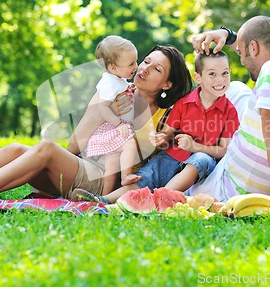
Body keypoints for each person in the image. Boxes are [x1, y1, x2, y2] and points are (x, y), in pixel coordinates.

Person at [0, 45, 193, 203]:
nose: (143, 68)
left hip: (101, 183)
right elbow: (73, 145)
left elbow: (133, 169)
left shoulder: (163, 119)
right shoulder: (112, 90)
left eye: (156, 68)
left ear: (167, 83)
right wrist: (103, 109)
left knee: (45, 147)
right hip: (80, 167)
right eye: (145, 61)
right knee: (17, 149)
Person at [188, 15, 270, 212]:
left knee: (232, 89)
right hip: (264, 183)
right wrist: (227, 35)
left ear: (254, 48)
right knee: (237, 89)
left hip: (229, 188)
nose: (241, 61)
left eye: (241, 53)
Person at [74, 49, 240, 204]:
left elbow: (223, 150)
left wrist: (195, 146)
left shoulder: (230, 111)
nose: (220, 80)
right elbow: (167, 132)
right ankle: (103, 200)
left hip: (202, 158)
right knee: (147, 175)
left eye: (225, 73)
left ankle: (157, 200)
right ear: (198, 78)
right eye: (212, 74)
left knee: (201, 160)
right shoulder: (183, 104)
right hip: (172, 156)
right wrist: (160, 138)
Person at [84, 35, 139, 193]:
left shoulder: (116, 79)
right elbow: (102, 108)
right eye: (130, 64)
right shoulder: (109, 83)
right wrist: (119, 124)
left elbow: (120, 89)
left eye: (135, 61)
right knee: (130, 144)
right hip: (114, 127)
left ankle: (104, 196)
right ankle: (125, 176)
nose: (135, 66)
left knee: (112, 164)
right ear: (113, 68)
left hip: (114, 126)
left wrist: (129, 87)